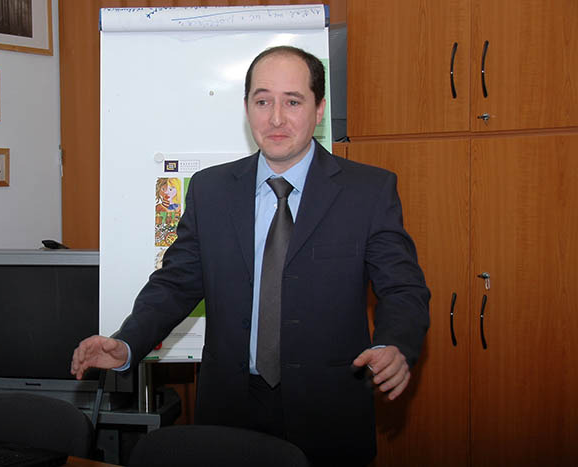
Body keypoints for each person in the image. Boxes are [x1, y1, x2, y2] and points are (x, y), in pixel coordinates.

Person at [71, 46, 430, 466]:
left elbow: (403, 288)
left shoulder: (367, 192)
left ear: (318, 109)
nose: (276, 118)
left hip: (329, 412)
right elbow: (175, 283)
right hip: (229, 411)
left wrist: (394, 344)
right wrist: (127, 342)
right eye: (263, 102)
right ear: (246, 108)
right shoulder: (210, 190)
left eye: (292, 101)